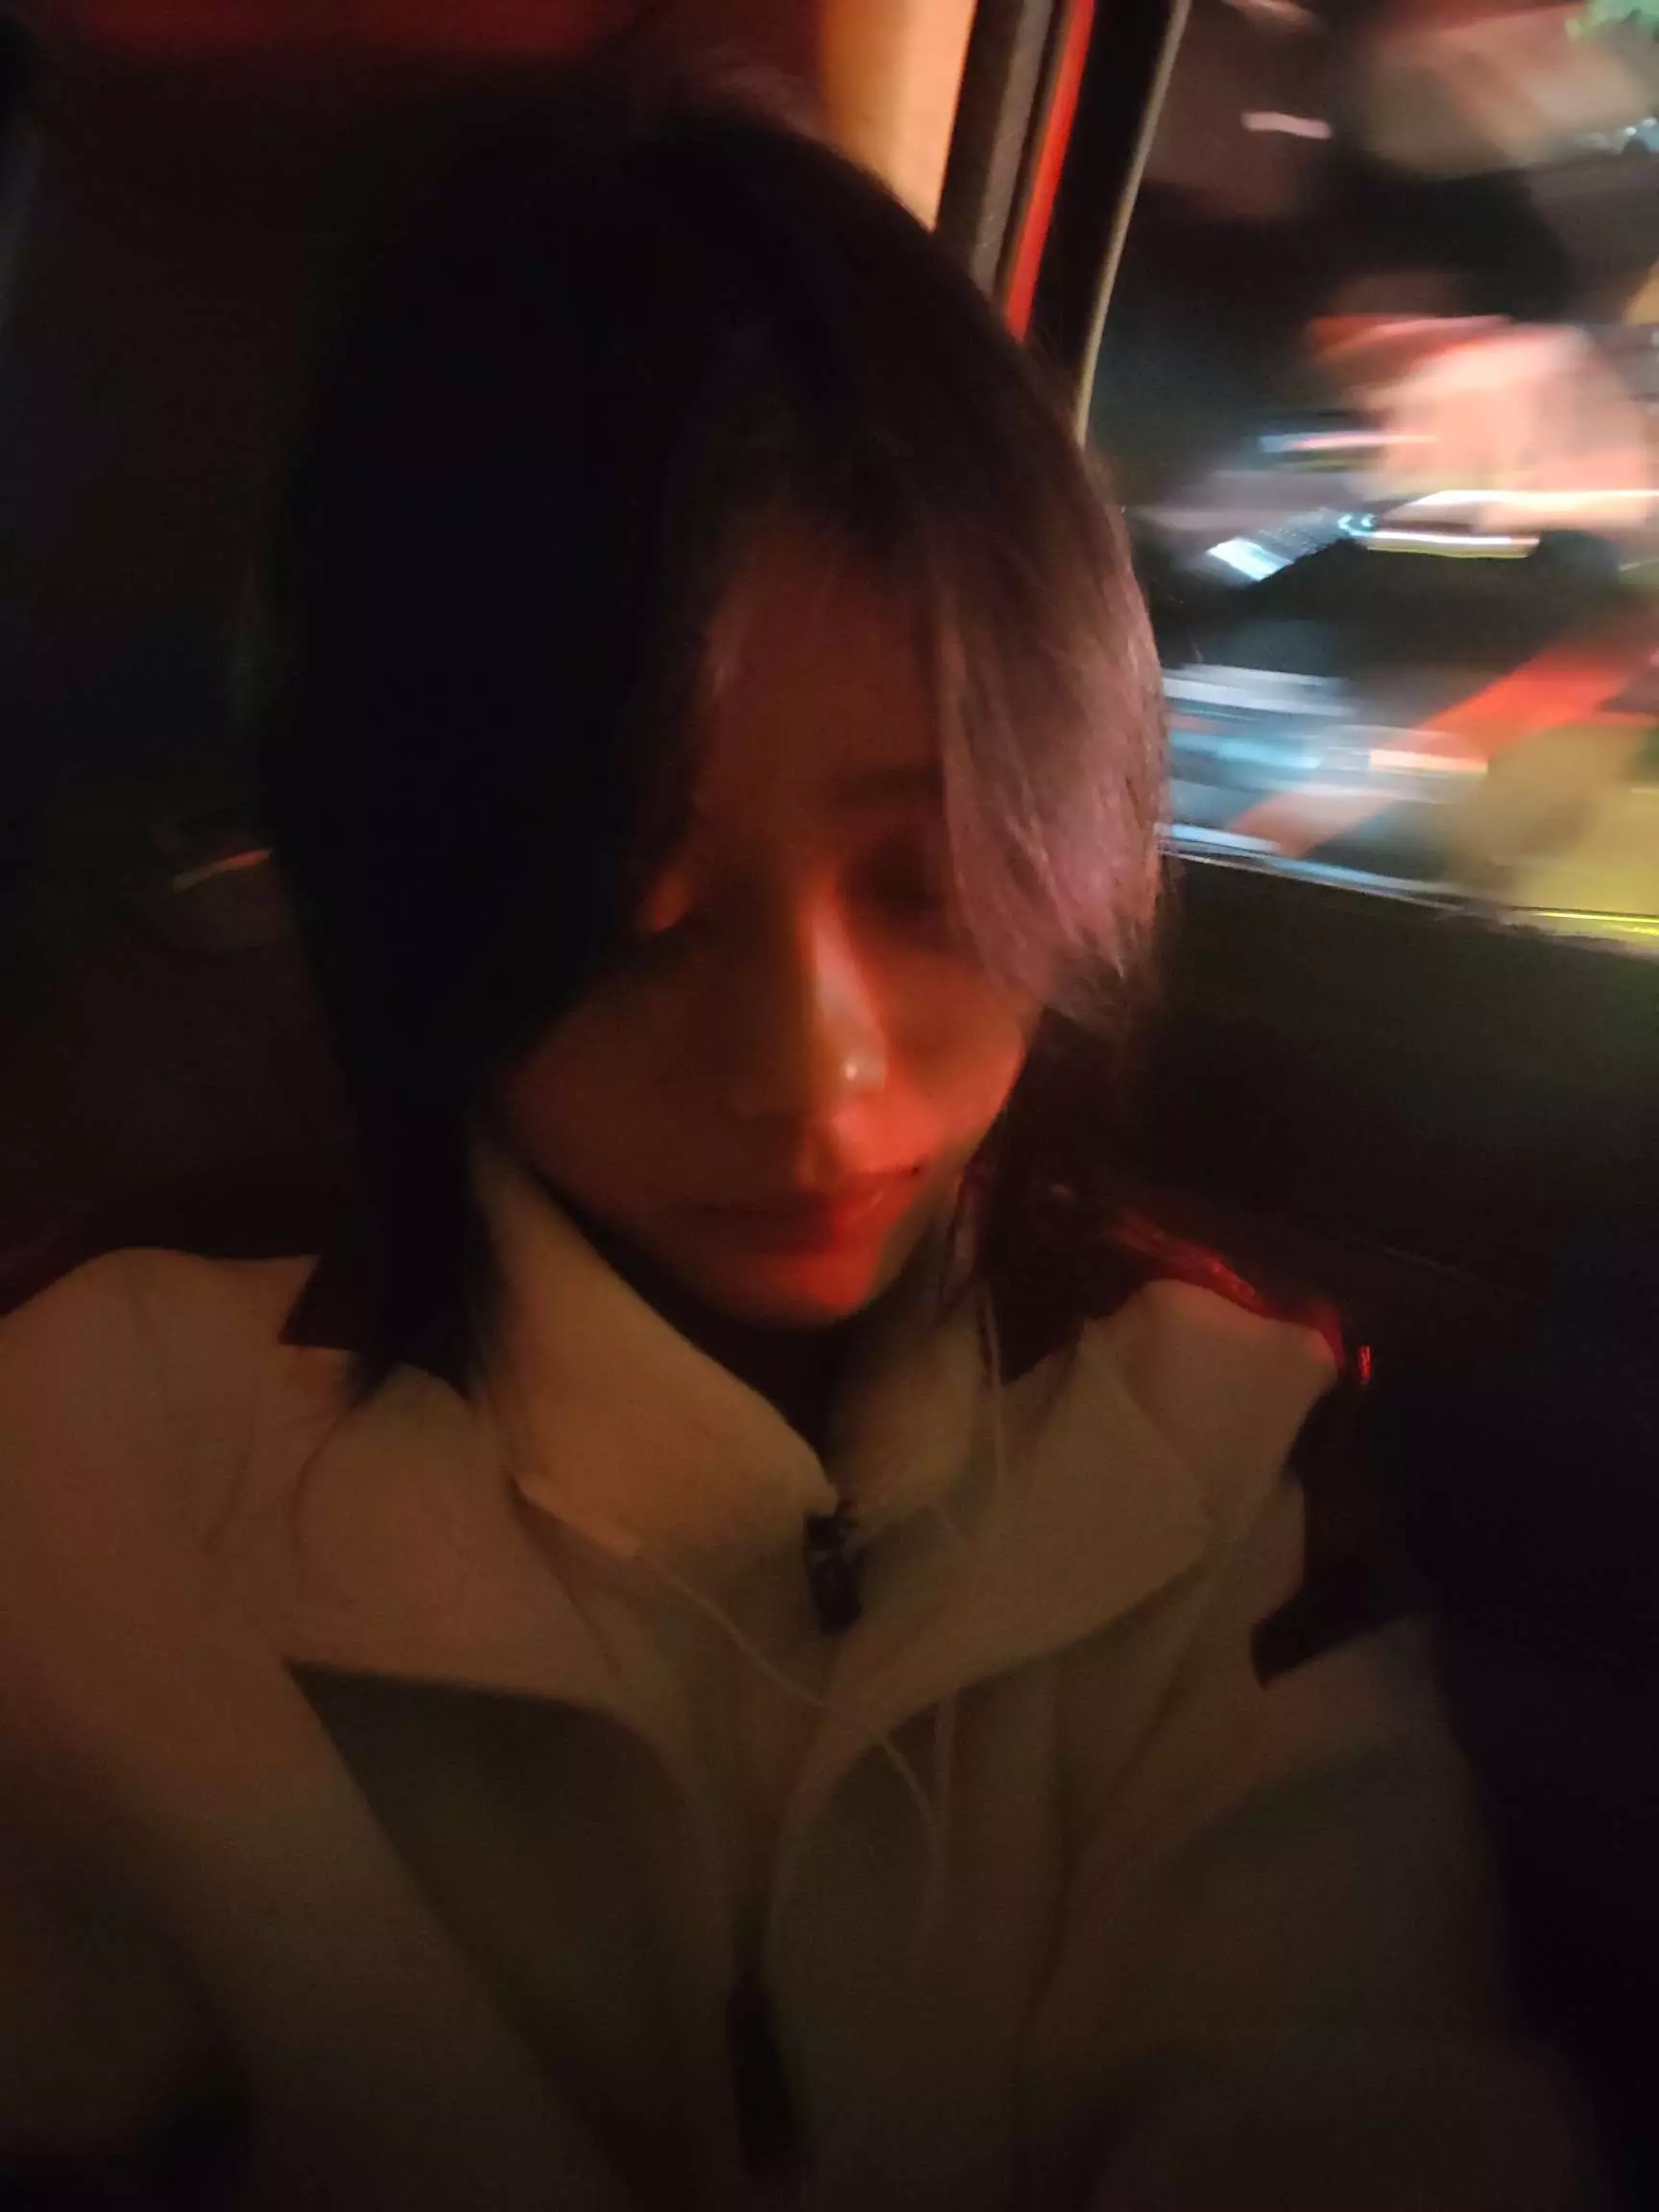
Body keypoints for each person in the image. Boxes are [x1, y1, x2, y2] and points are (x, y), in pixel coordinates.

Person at [0, 85, 1598, 2212]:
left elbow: (1341, 2095)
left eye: (927, 885)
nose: (824, 1086)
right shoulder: (85, 1461)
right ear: (422, 893)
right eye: (642, 924)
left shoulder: (1217, 1447)